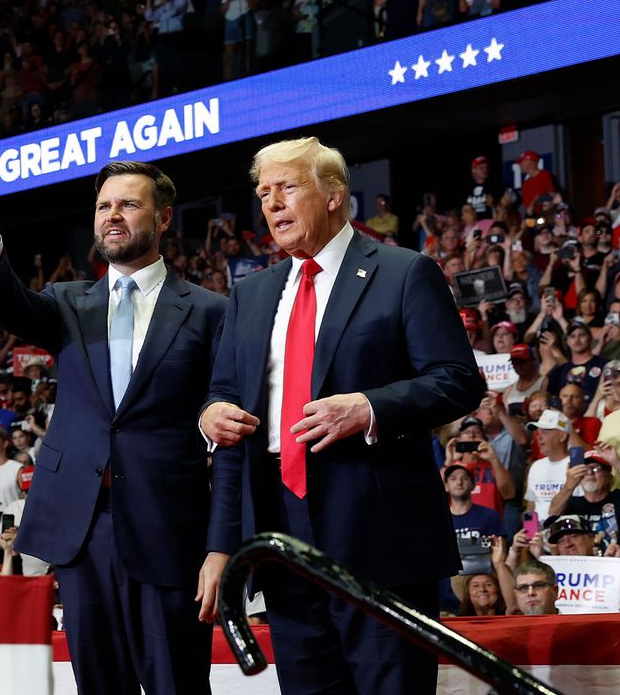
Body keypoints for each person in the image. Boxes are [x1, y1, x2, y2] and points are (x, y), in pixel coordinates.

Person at [200, 137, 484, 695]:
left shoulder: (404, 272)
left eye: (287, 187)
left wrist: (371, 406)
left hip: (379, 530)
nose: (272, 204)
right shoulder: (251, 294)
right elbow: (224, 398)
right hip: (280, 535)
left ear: (334, 194)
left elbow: (458, 381)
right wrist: (210, 415)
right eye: (263, 193)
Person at [0, 161, 227, 695]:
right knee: (99, 684)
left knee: (178, 681)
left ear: (164, 218)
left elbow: (223, 402)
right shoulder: (65, 301)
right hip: (82, 527)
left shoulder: (211, 310)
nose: (113, 215)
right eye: (104, 206)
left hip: (168, 524)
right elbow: (10, 305)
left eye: (128, 204)